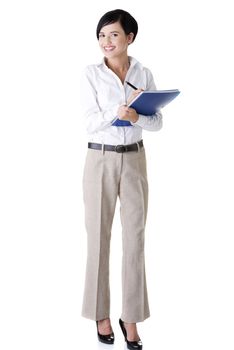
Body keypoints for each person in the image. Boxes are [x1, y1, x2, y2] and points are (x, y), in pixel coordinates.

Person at [80, 9, 162, 350]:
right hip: (99, 159)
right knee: (99, 238)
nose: (106, 41)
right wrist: (119, 112)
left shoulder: (143, 73)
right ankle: (100, 313)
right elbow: (88, 122)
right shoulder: (91, 75)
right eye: (101, 35)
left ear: (129, 38)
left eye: (113, 34)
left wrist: (138, 115)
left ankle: (130, 318)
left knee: (135, 241)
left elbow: (157, 122)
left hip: (134, 161)